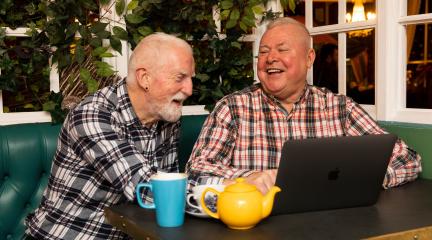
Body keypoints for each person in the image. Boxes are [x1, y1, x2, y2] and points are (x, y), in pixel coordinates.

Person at [186, 17, 421, 195]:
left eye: (282, 49)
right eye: (264, 52)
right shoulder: (232, 109)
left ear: (309, 58)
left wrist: (360, 180)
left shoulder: (339, 108)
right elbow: (195, 171)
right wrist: (249, 177)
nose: (270, 58)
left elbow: (408, 159)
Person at [25, 32, 195, 240]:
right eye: (180, 77)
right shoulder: (93, 114)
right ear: (145, 78)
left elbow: (166, 193)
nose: (189, 89)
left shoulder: (166, 117)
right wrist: (225, 193)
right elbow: (150, 189)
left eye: (190, 79)